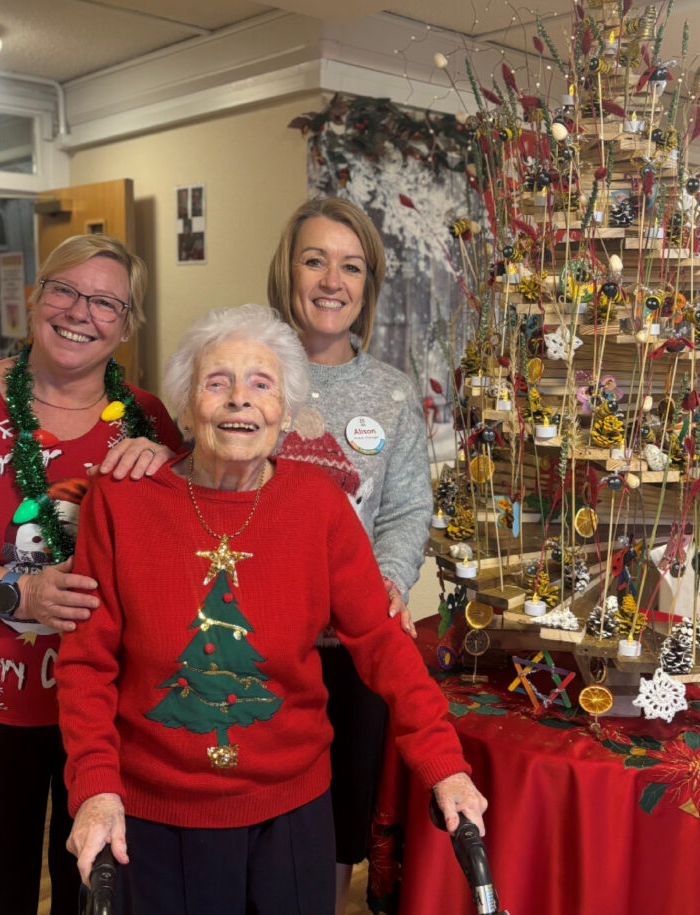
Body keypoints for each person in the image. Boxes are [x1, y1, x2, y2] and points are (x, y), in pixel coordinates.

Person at [58, 304, 485, 912]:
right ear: (184, 407)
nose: (240, 400)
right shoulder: (122, 504)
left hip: (291, 813)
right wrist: (96, 789)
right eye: (217, 382)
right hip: (154, 816)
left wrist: (444, 763)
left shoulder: (318, 504)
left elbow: (382, 642)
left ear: (285, 412)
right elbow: (86, 663)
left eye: (261, 384)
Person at [0, 233, 181, 914]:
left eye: (106, 302)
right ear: (33, 298)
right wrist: (17, 592)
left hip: (108, 712)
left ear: (127, 325)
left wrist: (167, 469)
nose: (80, 311)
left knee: (92, 893)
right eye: (65, 290)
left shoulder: (148, 421)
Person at [265, 197, 432, 911]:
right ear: (287, 271)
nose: (332, 280)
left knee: (337, 828)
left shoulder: (392, 394)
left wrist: (389, 578)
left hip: (354, 651)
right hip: (258, 644)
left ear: (367, 284)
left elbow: (405, 508)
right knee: (260, 815)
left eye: (351, 266)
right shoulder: (248, 369)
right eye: (314, 260)